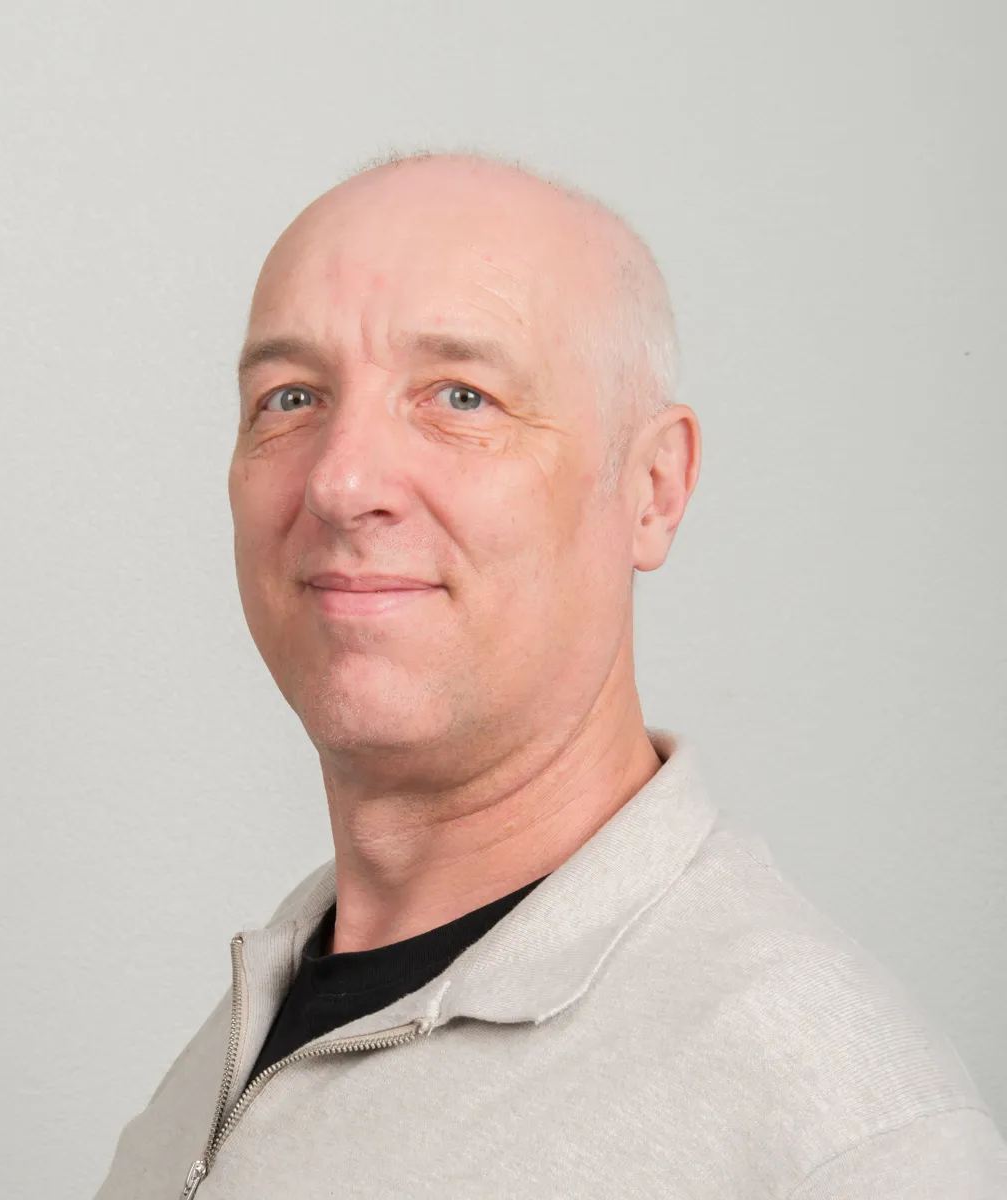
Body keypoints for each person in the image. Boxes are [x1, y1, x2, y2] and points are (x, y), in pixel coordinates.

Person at [93, 153, 1007, 1199]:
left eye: (462, 397)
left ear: (654, 487)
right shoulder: (256, 1022)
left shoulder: (840, 1142)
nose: (341, 482)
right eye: (290, 396)